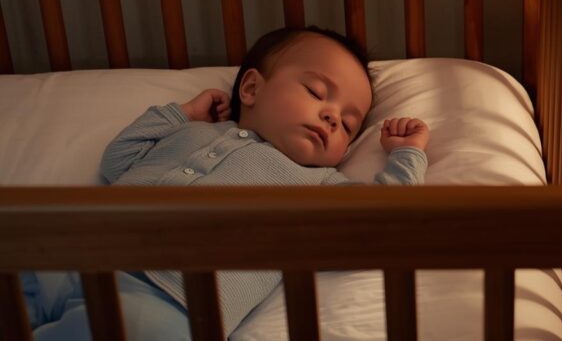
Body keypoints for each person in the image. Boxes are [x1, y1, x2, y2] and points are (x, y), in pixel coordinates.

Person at [22, 26, 429, 340]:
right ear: (251, 88)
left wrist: (408, 154)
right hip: (66, 254)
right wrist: (184, 113)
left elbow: (376, 224)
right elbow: (120, 158)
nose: (331, 117)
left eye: (348, 123)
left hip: (167, 300)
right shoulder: (193, 132)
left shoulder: (318, 186)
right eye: (316, 91)